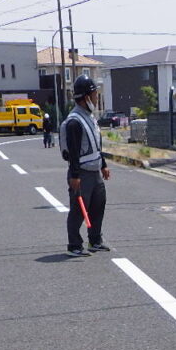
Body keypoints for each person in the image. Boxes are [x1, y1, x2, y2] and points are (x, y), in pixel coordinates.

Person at [62, 75, 111, 257]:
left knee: (98, 205)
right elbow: (73, 152)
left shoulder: (90, 117)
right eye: (94, 94)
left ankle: (95, 240)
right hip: (81, 174)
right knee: (78, 211)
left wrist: (103, 165)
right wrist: (74, 176)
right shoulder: (74, 121)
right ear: (86, 97)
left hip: (95, 172)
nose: (97, 97)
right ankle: (74, 245)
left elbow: (96, 145)